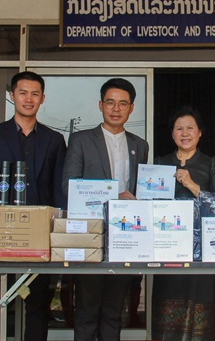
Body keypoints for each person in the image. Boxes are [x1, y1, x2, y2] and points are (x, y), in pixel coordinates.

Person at [0, 71, 67, 341]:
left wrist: (56, 234)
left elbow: (58, 193)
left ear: (43, 98)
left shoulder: (54, 139)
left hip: (38, 236)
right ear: (12, 95)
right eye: (23, 93)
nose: (29, 99)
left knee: (37, 305)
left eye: (35, 94)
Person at [62, 77, 149, 341]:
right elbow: (68, 186)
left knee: (114, 310)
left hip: (125, 236)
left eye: (123, 103)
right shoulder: (80, 140)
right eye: (110, 102)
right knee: (87, 309)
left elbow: (140, 190)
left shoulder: (140, 145)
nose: (116, 108)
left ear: (131, 108)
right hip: (91, 233)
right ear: (100, 105)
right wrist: (115, 195)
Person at [152, 105, 215, 341]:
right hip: (166, 245)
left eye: (190, 128)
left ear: (200, 132)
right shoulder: (160, 162)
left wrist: (192, 185)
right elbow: (149, 202)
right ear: (172, 134)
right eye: (179, 128)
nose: (185, 133)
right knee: (166, 300)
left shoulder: (211, 162)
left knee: (199, 304)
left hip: (199, 249)